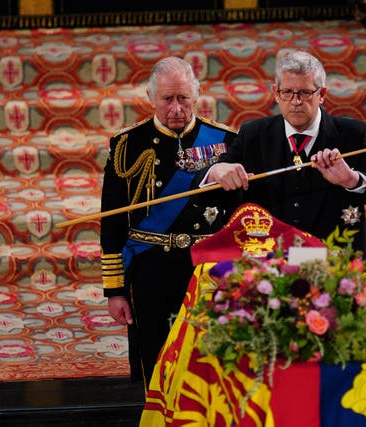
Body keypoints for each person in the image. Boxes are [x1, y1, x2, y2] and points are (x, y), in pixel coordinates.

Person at [100, 56, 238, 389]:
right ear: (151, 98)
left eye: (183, 98)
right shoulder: (127, 147)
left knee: (211, 360)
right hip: (152, 268)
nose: (176, 108)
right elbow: (113, 223)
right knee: (158, 357)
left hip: (208, 270)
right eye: (167, 99)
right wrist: (115, 291)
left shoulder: (226, 143)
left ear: (197, 95)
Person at [200, 50, 366, 262]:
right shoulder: (253, 135)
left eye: (305, 93)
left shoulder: (354, 134)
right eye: (287, 92)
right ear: (276, 93)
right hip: (270, 262)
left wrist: (351, 179)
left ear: (322, 94)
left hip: (336, 263)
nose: (296, 101)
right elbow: (215, 185)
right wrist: (216, 171)